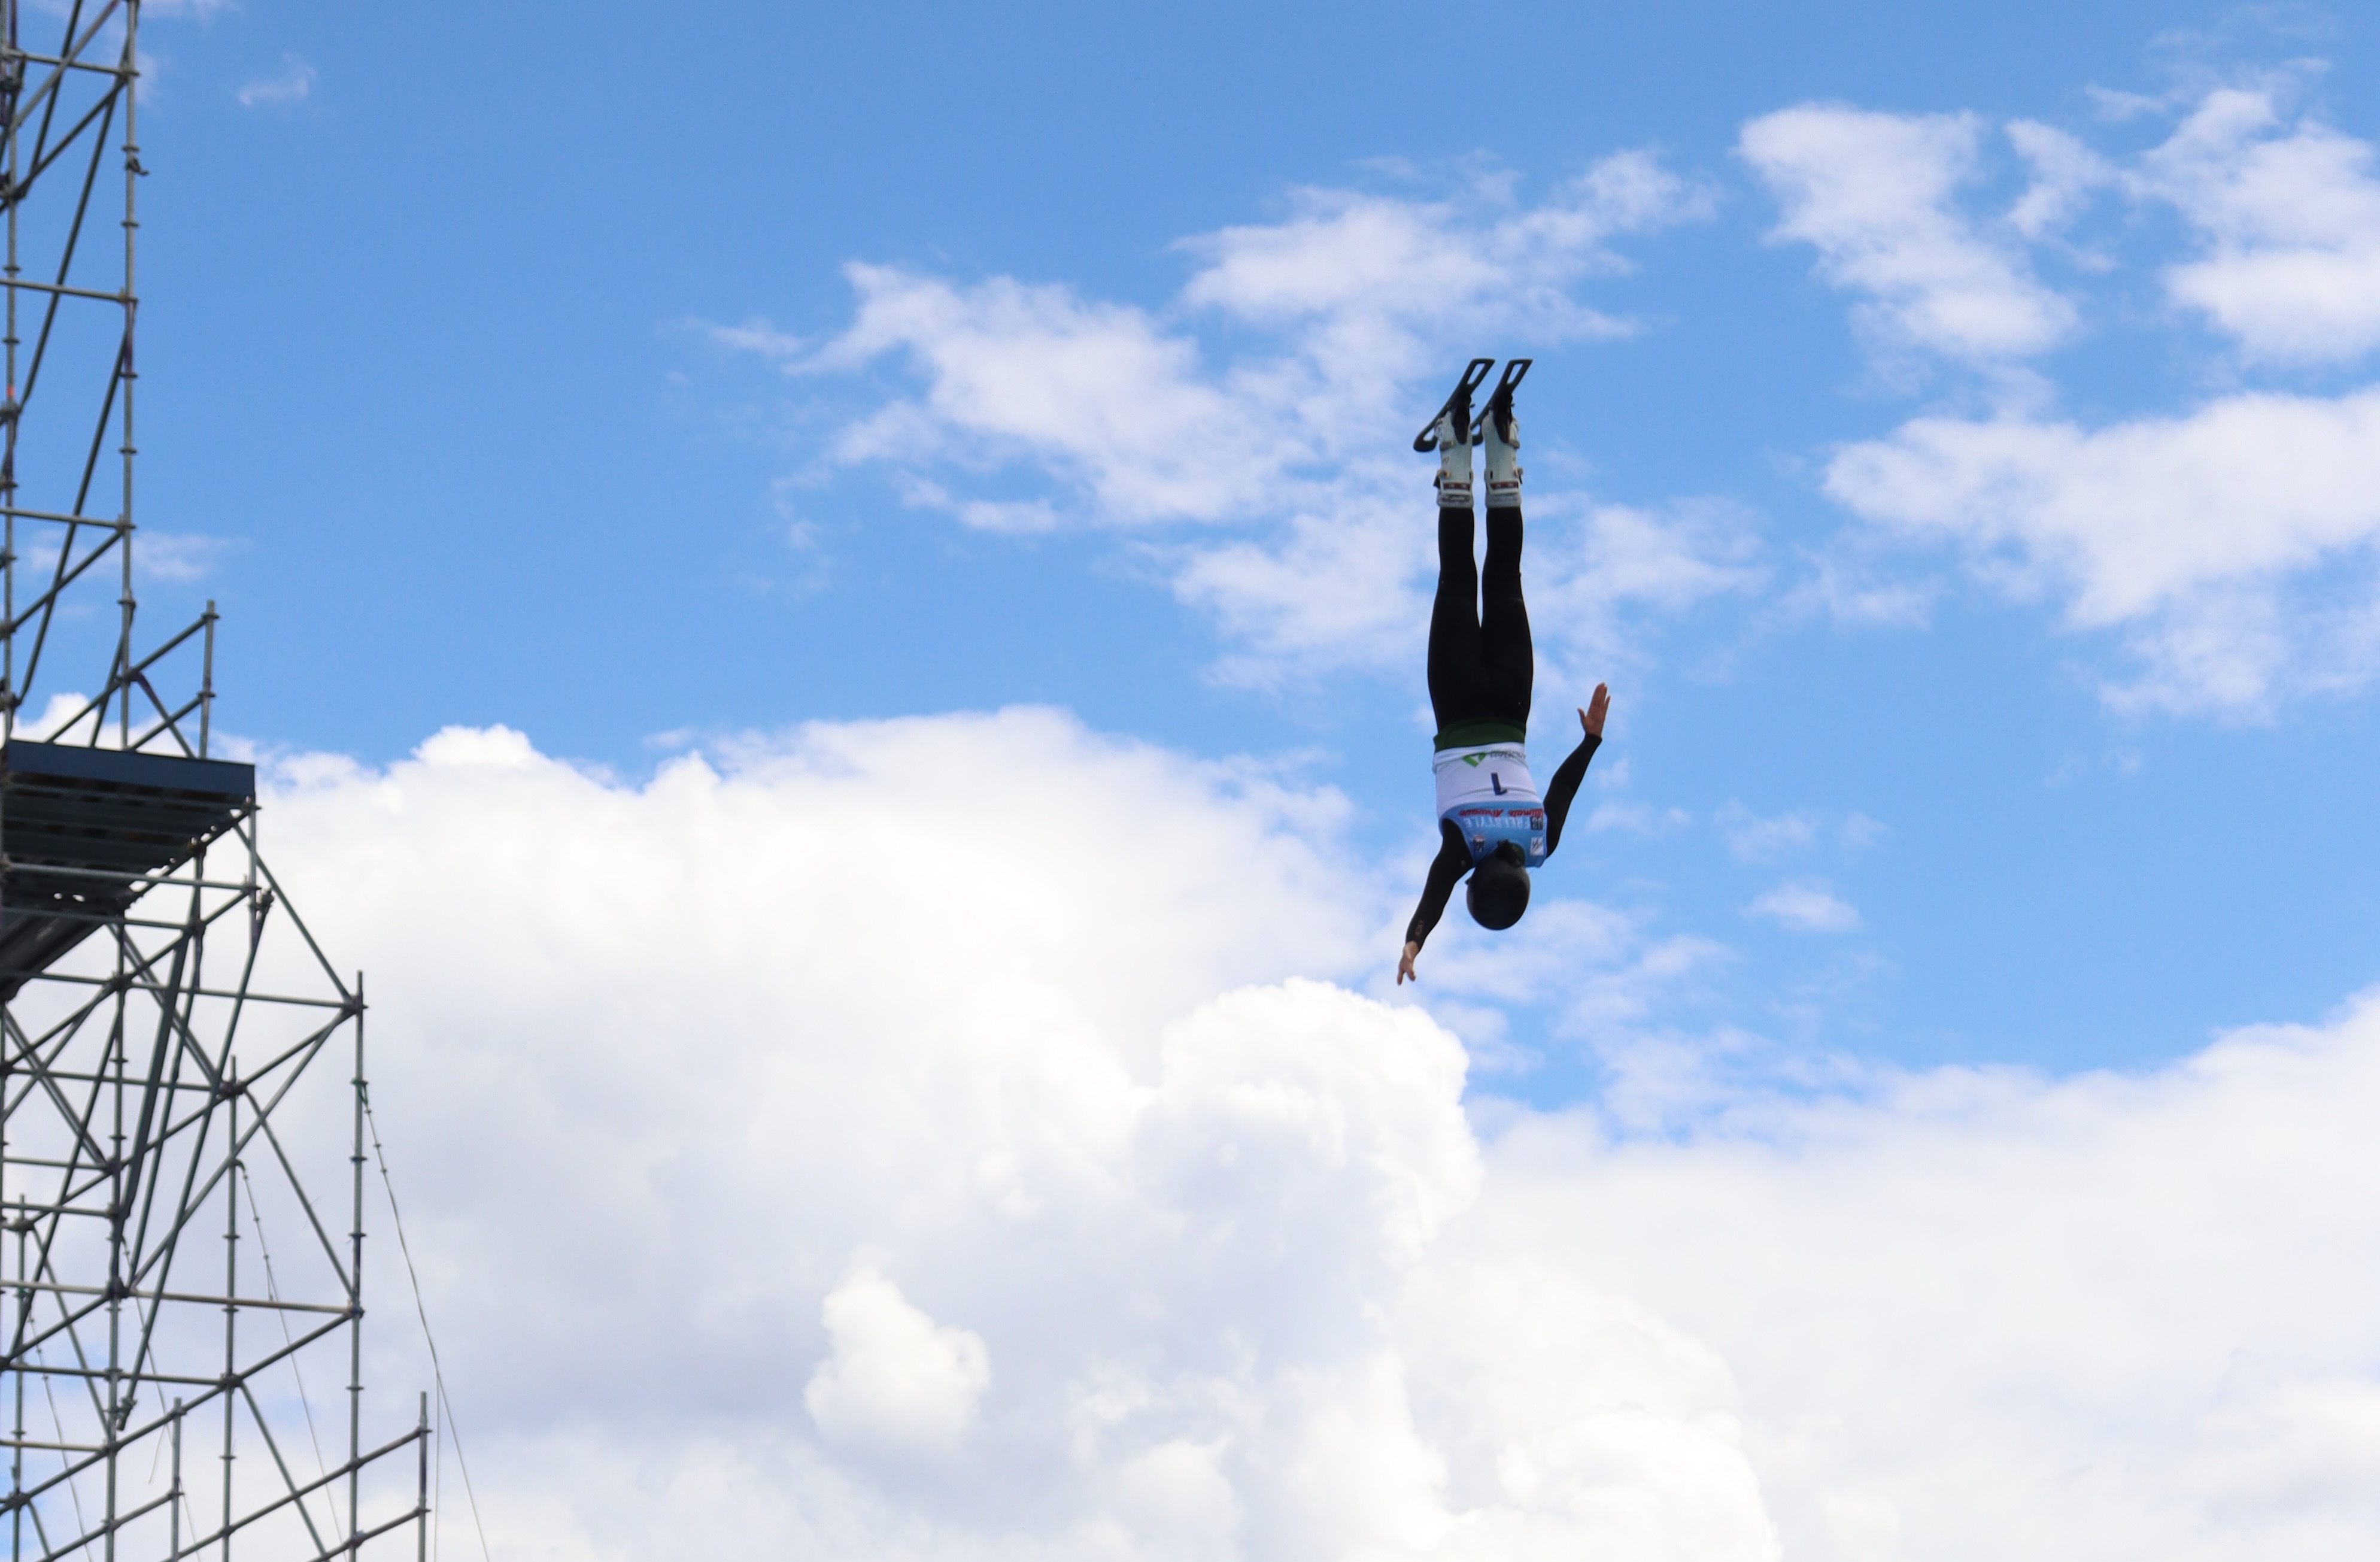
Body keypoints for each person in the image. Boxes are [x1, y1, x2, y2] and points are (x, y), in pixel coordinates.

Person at [1396, 371, 1608, 987]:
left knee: (1506, 576)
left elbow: (1564, 789)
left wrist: (1590, 740)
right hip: (1460, 704)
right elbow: (1435, 891)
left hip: (1513, 702)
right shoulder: (1463, 847)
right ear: (1478, 879)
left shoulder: (1538, 843)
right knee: (1459, 577)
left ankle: (1502, 445)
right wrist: (1413, 941)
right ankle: (1460, 450)